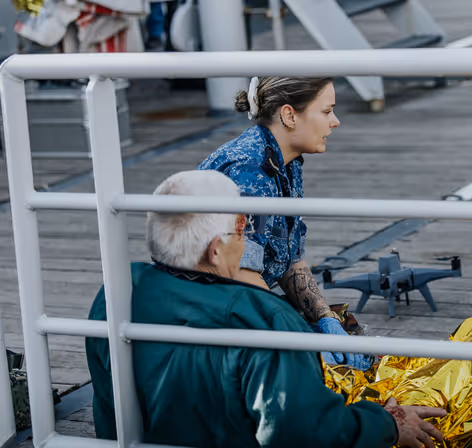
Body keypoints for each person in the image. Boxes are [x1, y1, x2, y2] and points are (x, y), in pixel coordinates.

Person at [85, 170, 447, 448]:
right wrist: (389, 424)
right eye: (241, 227)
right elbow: (302, 432)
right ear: (215, 250)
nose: (245, 241)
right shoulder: (266, 320)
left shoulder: (117, 292)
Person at [198, 77, 373, 370]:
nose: (336, 122)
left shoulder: (285, 161)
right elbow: (242, 274)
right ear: (290, 115)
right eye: (327, 111)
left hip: (240, 306)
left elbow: (289, 260)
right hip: (210, 320)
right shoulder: (250, 170)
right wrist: (301, 338)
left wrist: (325, 319)